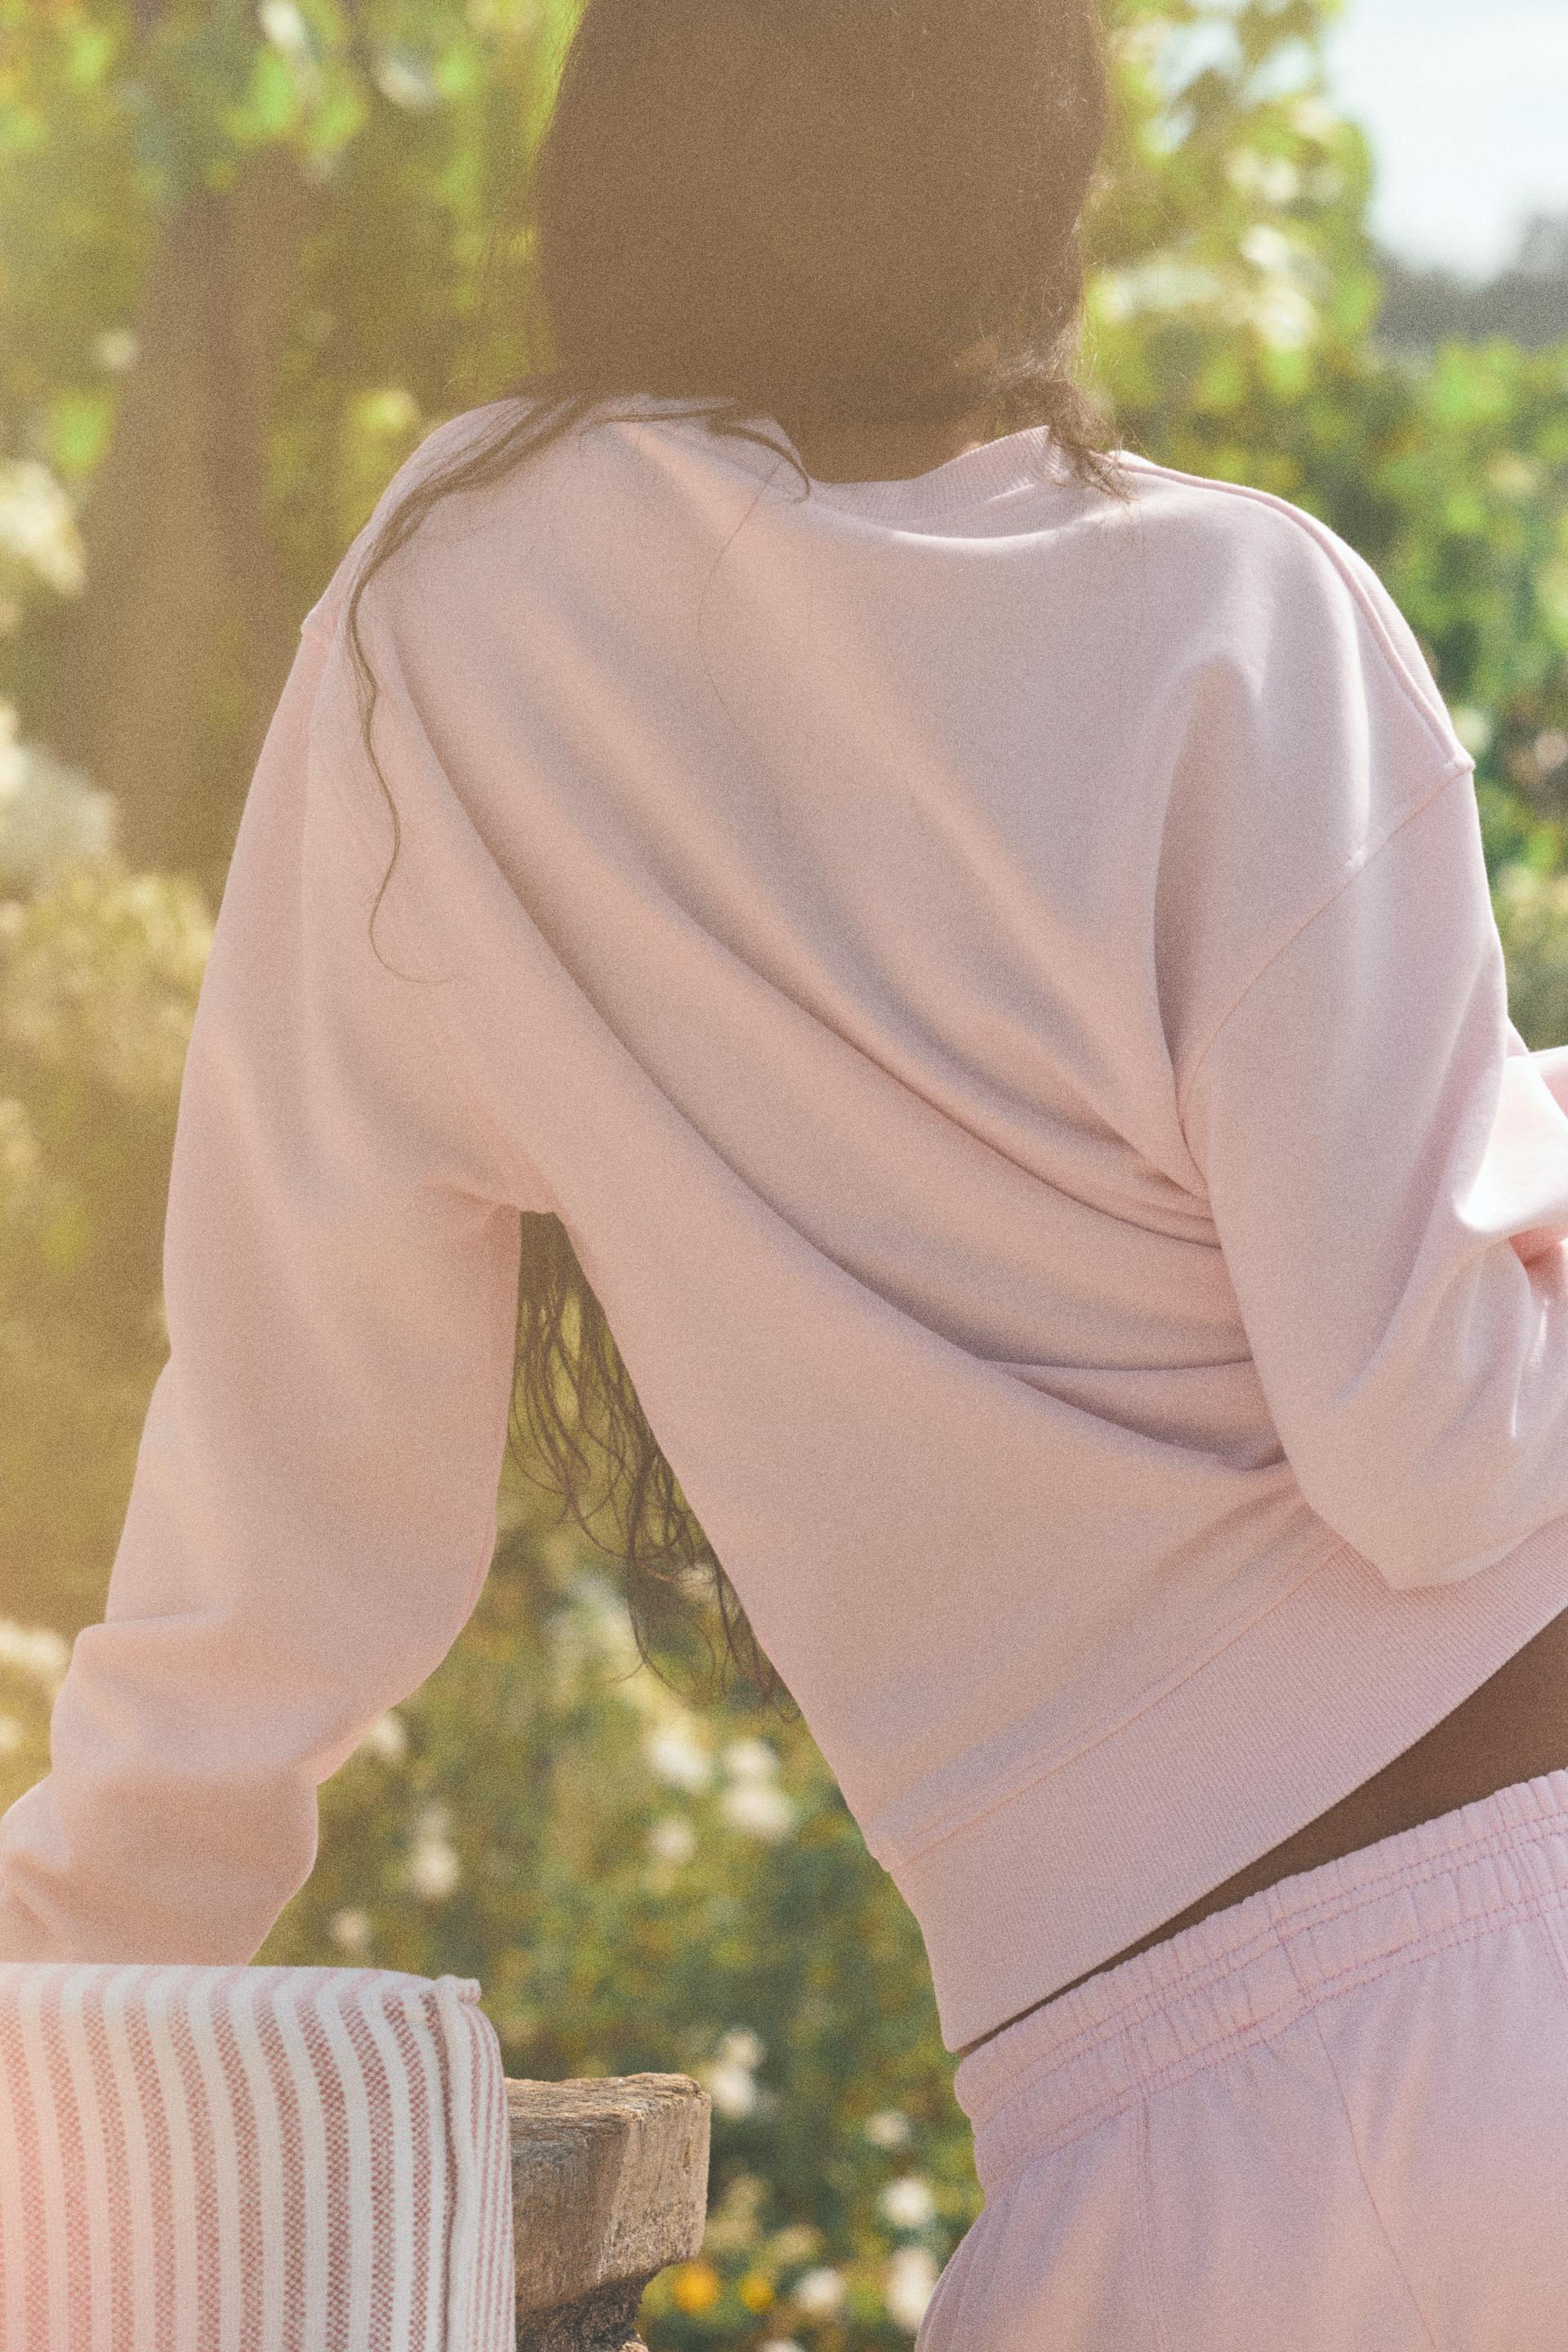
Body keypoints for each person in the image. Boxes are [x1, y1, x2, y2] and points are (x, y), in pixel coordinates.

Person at [7, 2, 1568, 2343]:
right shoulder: (1244, 615)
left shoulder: (445, 638)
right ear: (1042, 153)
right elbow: (1442, 1459)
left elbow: (283, 1529)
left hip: (1150, 2127)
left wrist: (56, 1963)